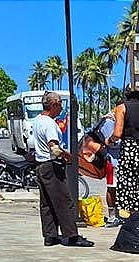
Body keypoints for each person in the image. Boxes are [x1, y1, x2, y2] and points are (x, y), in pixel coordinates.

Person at [32, 91, 94, 248]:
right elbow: (54, 148)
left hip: (41, 165)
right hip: (52, 166)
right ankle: (72, 236)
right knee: (64, 202)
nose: (61, 108)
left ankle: (50, 236)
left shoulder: (38, 120)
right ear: (53, 105)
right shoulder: (50, 124)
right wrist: (68, 156)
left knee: (47, 203)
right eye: (59, 104)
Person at [109, 86, 139, 217]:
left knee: (130, 186)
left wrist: (109, 141)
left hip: (130, 150)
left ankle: (134, 218)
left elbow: (117, 133)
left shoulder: (121, 108)